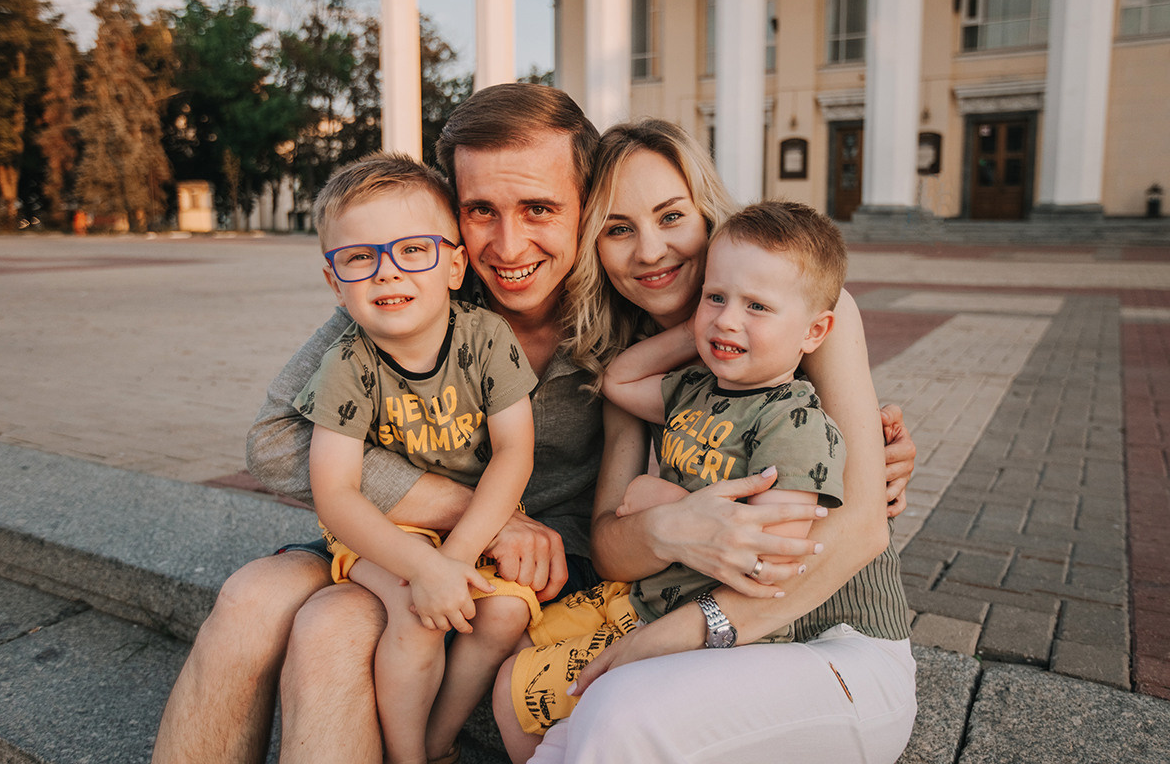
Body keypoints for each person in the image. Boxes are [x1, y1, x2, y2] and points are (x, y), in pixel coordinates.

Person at [152, 86, 915, 764]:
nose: (509, 247)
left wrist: (860, 460)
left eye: (541, 210)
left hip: (550, 579)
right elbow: (277, 439)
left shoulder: (647, 313)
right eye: (482, 210)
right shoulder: (429, 283)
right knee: (252, 600)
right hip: (409, 537)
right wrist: (488, 515)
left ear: (581, 205)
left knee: (331, 631)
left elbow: (843, 505)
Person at [495, 119, 915, 763]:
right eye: (618, 228)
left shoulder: (805, 310)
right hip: (695, 645)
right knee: (543, 703)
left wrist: (676, 633)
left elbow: (861, 527)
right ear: (594, 247)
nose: (651, 250)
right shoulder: (633, 364)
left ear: (706, 212)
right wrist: (670, 524)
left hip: (835, 644)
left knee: (619, 712)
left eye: (671, 215)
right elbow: (612, 549)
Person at [294, 153, 540, 764]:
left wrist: (453, 560)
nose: (387, 273)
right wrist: (422, 567)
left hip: (471, 525)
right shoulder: (346, 366)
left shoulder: (486, 339)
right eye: (360, 258)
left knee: (507, 613)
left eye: (413, 251)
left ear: (455, 264)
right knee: (415, 611)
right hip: (382, 532)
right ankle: (407, 756)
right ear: (335, 282)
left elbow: (515, 453)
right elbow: (337, 495)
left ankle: (437, 743)